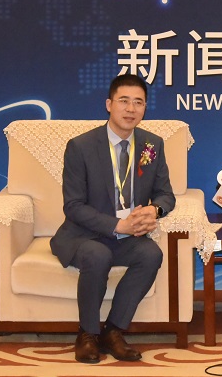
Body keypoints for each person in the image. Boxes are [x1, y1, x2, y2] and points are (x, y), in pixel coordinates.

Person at [50, 73, 175, 364]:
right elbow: (73, 206)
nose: (131, 109)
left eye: (138, 103)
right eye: (124, 101)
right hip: (85, 234)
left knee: (151, 254)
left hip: (128, 236)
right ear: (109, 104)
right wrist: (117, 225)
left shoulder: (152, 145)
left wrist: (154, 210)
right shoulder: (80, 146)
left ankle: (114, 331)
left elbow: (166, 195)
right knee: (97, 255)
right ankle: (87, 334)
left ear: (145, 108)